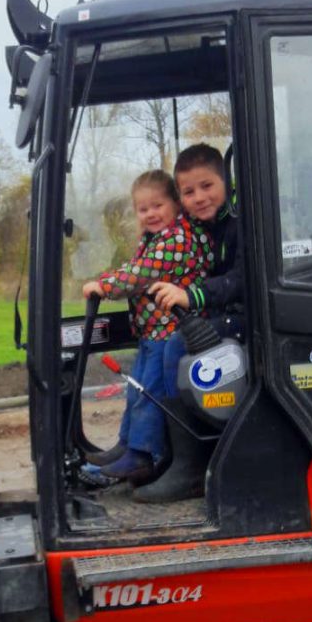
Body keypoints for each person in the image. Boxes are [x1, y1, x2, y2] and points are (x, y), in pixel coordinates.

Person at [81, 170, 212, 482]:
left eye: (158, 206)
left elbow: (141, 274)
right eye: (143, 209)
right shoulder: (156, 238)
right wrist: (109, 278)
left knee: (149, 393)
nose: (150, 214)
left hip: (169, 332)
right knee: (136, 391)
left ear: (175, 205)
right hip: (152, 332)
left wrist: (104, 285)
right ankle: (126, 445)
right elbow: (134, 267)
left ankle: (143, 455)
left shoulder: (178, 239)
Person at [150, 143, 244, 394]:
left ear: (227, 181)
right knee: (158, 342)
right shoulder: (195, 228)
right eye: (189, 192)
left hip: (248, 317)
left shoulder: (243, 220)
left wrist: (190, 296)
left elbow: (239, 280)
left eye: (207, 186)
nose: (200, 198)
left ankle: (180, 425)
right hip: (219, 310)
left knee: (178, 346)